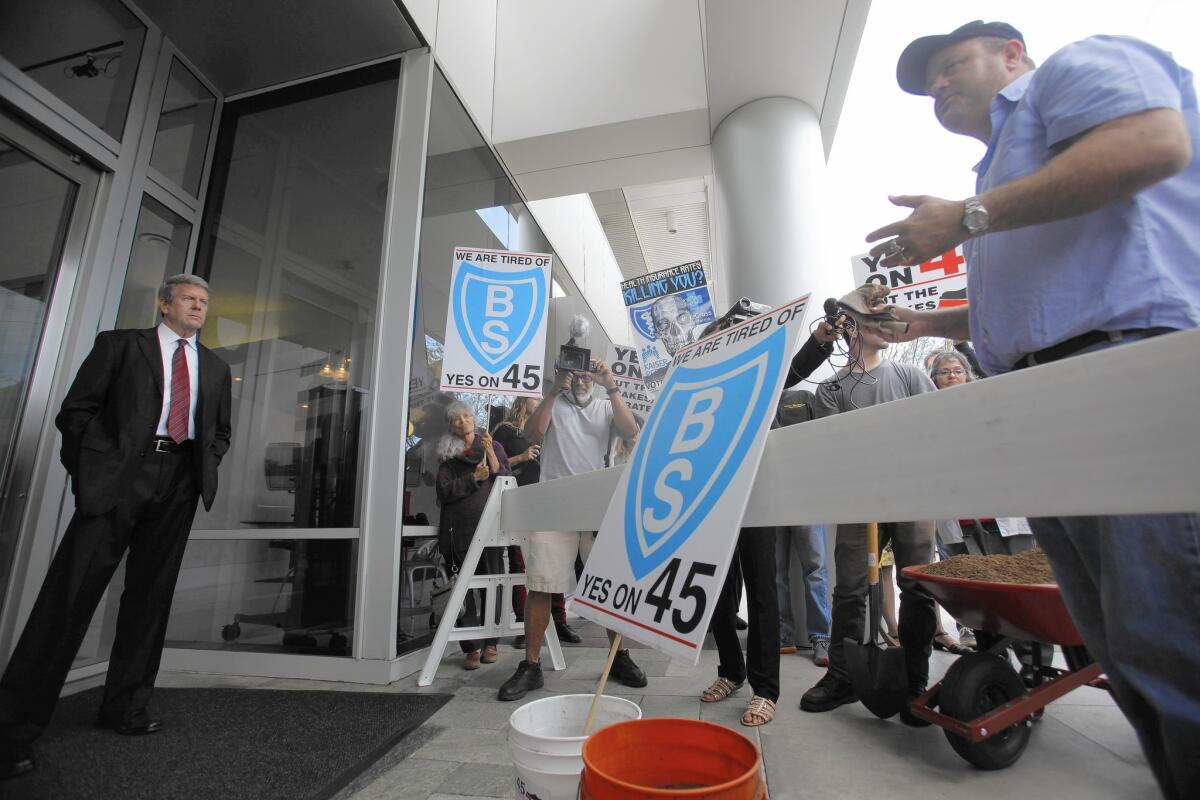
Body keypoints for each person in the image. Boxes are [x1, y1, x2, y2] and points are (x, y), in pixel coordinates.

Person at [866, 20, 1200, 796]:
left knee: (1173, 641)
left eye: (952, 66)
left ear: (1012, 54)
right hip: (1049, 401)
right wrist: (927, 325)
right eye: (930, 83)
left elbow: (1155, 144)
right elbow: (1031, 297)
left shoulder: (1078, 68)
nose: (939, 87)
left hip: (1122, 371)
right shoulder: (996, 176)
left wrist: (967, 218)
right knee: (1128, 650)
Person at [0, 274, 232, 779]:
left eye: (205, 302)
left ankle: (124, 707)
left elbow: (220, 433)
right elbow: (76, 412)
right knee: (71, 596)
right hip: (119, 479)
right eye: (190, 299)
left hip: (179, 480)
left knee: (151, 598)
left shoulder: (215, 367)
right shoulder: (122, 346)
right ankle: (12, 729)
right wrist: (95, 470)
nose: (199, 307)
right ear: (164, 303)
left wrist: (201, 468)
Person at [799, 322, 938, 727]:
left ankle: (916, 682)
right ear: (851, 330)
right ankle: (842, 676)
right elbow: (832, 447)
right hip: (860, 502)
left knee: (917, 585)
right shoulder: (831, 390)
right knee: (849, 591)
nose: (887, 328)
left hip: (913, 494)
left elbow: (932, 428)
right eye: (873, 321)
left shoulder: (910, 376)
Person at [498, 363, 643, 701]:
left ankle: (619, 657)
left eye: (586, 373)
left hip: (596, 505)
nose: (581, 379)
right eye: (574, 372)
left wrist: (612, 386)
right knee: (541, 585)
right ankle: (531, 665)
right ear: (563, 373)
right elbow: (532, 435)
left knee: (609, 585)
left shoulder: (606, 403)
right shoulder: (555, 402)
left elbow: (629, 431)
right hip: (555, 503)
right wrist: (551, 391)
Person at [490, 398, 576, 647]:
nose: (538, 399)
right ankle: (522, 625)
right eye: (534, 397)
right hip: (520, 500)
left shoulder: (548, 427)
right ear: (521, 400)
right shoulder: (506, 430)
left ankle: (559, 622)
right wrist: (522, 456)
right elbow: (496, 465)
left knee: (554, 563)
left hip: (547, 500)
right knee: (522, 564)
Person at [434, 401, 512, 669]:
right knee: (463, 591)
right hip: (458, 534)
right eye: (456, 419)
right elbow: (443, 493)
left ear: (475, 418)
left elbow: (506, 479)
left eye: (466, 415)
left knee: (493, 587)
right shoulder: (448, 455)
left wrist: (490, 452)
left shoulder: (493, 445)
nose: (463, 421)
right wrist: (473, 478)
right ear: (451, 426)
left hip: (490, 531)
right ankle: (471, 647)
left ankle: (491, 642)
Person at [772, 390, 832, 666]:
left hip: (806, 495)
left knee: (815, 568)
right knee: (775, 571)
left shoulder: (804, 397)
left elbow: (822, 438)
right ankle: (783, 634)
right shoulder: (757, 401)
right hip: (770, 498)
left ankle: (821, 636)